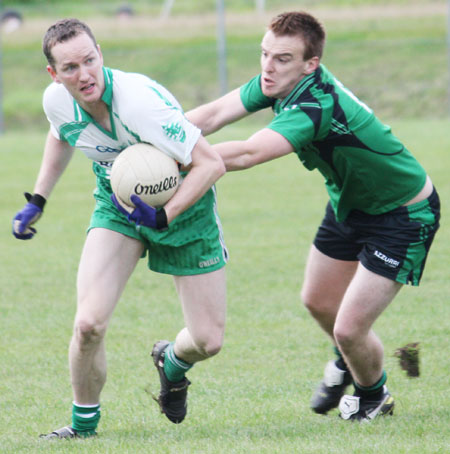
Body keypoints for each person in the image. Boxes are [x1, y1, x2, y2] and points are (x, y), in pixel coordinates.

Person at [186, 11, 440, 422]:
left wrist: (179, 161)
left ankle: (374, 396)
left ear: (310, 64)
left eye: (282, 58)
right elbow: (213, 115)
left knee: (348, 329)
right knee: (318, 301)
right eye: (264, 54)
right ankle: (349, 361)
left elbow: (250, 152)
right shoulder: (277, 81)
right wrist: (158, 138)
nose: (268, 66)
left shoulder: (315, 103)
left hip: (403, 216)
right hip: (350, 205)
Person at [12, 18, 228, 438]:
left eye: (89, 61)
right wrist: (38, 199)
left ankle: (173, 362)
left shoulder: (139, 104)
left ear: (100, 55)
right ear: (54, 74)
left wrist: (164, 215)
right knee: (88, 324)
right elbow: (61, 135)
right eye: (70, 68)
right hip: (117, 204)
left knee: (207, 340)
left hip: (183, 205)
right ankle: (82, 426)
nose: (84, 74)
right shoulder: (56, 100)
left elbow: (211, 164)